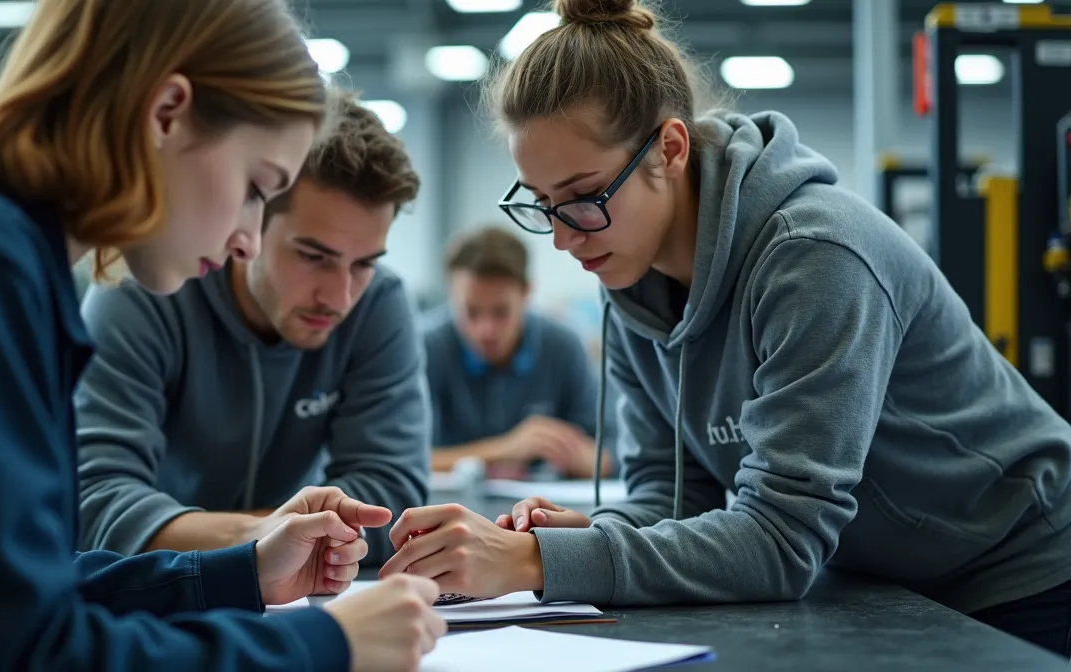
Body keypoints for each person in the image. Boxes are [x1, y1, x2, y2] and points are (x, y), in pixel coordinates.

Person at [0, 1, 447, 670]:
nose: (247, 238)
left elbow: (23, 587)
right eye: (255, 187)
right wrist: (326, 646)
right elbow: (22, 651)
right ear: (166, 115)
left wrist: (237, 574)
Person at [376, 0, 1071, 659]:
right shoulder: (626, 280)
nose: (563, 239)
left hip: (1024, 571)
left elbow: (779, 541)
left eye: (584, 198)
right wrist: (582, 534)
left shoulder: (816, 257)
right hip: (890, 580)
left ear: (670, 150)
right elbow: (674, 497)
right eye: (544, 205)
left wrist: (532, 561)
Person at [75, 93, 428, 564]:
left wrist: (269, 540)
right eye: (313, 256)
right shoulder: (141, 287)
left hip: (293, 591)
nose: (339, 297)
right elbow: (93, 501)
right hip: (156, 591)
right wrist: (261, 537)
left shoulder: (380, 302)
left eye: (363, 264)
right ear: (251, 217)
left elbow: (391, 501)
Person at [422, 225, 612, 479]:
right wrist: (507, 449)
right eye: (471, 311)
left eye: (501, 312)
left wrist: (580, 457)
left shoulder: (564, 345)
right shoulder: (425, 348)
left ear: (526, 293)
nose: (485, 330)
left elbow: (612, 454)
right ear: (450, 295)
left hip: (543, 511)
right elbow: (407, 460)